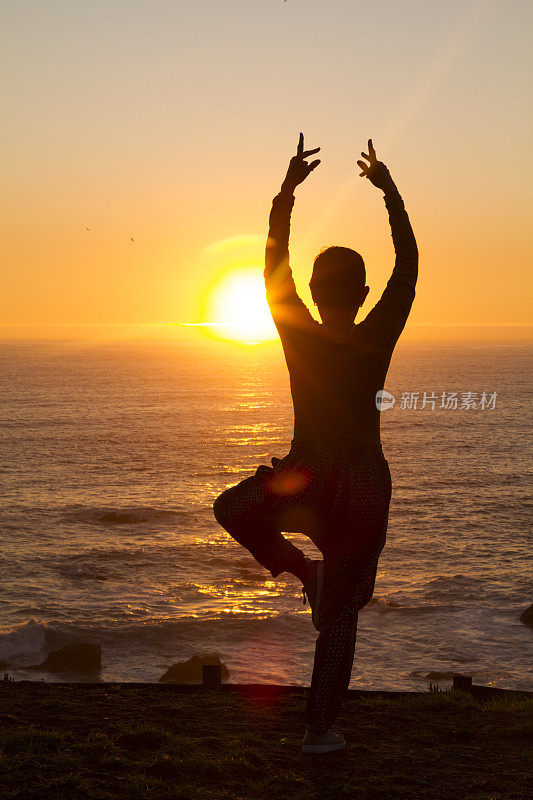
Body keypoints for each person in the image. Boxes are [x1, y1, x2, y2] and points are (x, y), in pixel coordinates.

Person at [213, 134, 418, 753]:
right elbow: (407, 266)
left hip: (304, 477)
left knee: (233, 509)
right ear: (358, 295)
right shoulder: (374, 335)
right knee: (340, 620)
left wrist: (287, 195)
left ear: (316, 291)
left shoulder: (298, 333)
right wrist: (388, 190)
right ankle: (319, 730)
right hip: (359, 490)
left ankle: (306, 572)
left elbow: (274, 266)